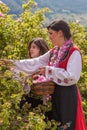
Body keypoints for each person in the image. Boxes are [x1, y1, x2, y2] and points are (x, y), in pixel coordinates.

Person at [1, 20, 87, 130]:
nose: (49, 37)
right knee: (53, 124)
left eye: (51, 33)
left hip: (67, 96)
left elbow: (73, 77)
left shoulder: (73, 52)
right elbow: (36, 62)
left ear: (60, 33)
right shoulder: (54, 51)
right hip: (54, 93)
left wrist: (49, 70)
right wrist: (12, 63)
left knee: (66, 125)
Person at [20, 37, 49, 109]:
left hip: (40, 99)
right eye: (30, 47)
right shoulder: (29, 64)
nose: (31, 49)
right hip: (29, 97)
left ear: (41, 49)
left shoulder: (46, 65)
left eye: (34, 47)